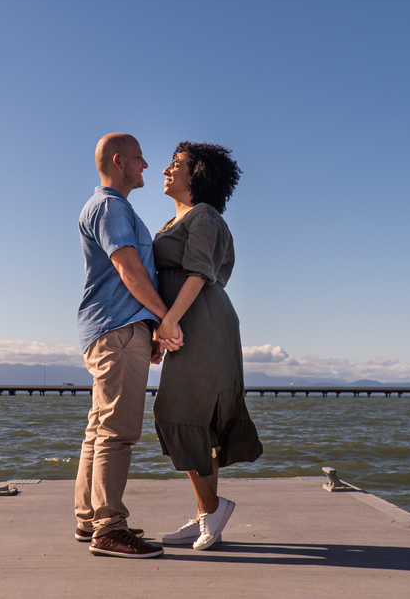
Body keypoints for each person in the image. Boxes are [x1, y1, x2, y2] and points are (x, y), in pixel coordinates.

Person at [74, 133, 182, 559]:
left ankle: (91, 520)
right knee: (117, 432)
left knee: (99, 431)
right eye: (139, 158)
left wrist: (148, 327)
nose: (146, 166)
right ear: (119, 161)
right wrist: (163, 319)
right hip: (117, 330)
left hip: (113, 328)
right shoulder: (110, 207)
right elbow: (128, 267)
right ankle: (109, 528)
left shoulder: (110, 207)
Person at [152, 141, 262, 551]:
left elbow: (200, 274)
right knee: (194, 418)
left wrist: (168, 322)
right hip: (189, 321)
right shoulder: (174, 220)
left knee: (180, 412)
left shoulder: (205, 215)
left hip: (203, 322)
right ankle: (207, 515)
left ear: (197, 175)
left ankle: (212, 509)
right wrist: (165, 323)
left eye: (176, 164)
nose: (167, 169)